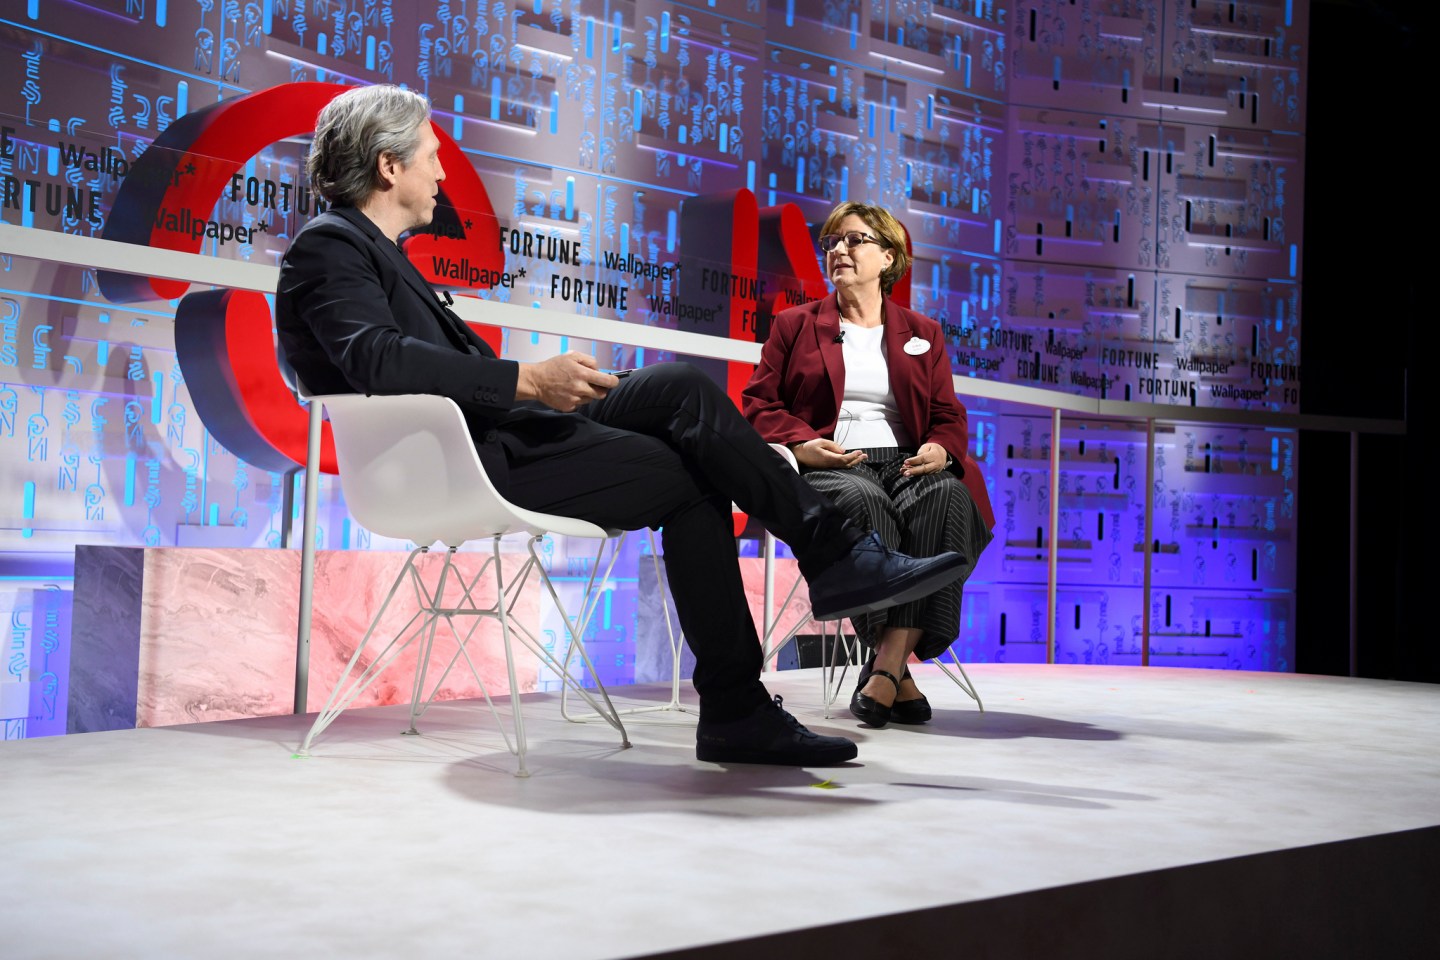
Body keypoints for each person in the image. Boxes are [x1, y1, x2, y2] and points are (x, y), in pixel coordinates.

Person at [275, 84, 973, 766]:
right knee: (697, 479)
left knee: (679, 387)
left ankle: (828, 563)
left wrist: (539, 390)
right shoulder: (329, 247)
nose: (442, 170)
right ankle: (747, 690)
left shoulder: (373, 253)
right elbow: (374, 357)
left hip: (505, 433)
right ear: (389, 166)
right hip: (479, 459)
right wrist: (528, 380)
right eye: (430, 155)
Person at [742, 202, 994, 728]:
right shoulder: (795, 324)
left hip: (908, 461)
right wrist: (804, 443)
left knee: (948, 497)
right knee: (862, 503)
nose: (838, 250)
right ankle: (893, 672)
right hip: (835, 460)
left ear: (888, 256)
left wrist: (941, 449)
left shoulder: (923, 330)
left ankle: (885, 664)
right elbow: (759, 406)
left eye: (853, 240)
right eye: (831, 242)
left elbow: (947, 413)